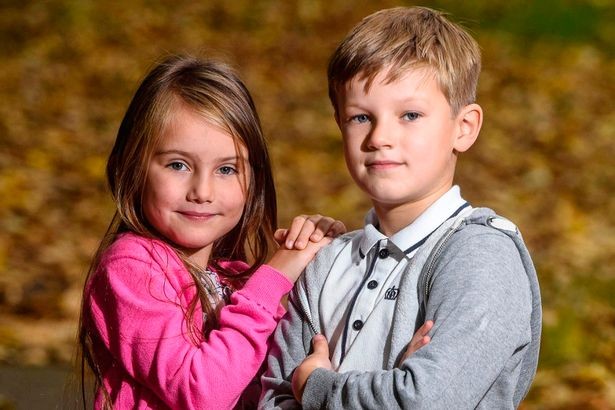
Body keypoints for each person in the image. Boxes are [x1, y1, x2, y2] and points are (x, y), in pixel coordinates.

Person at [260, 6, 542, 409]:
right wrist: (391, 386)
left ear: (464, 128)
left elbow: (425, 401)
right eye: (361, 117)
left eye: (410, 115)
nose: (380, 137)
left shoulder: (481, 256)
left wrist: (316, 387)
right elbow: (272, 399)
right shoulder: (324, 264)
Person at [77, 54, 348, 409]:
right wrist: (274, 278)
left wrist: (324, 259)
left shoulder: (233, 281)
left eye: (226, 169)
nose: (202, 192)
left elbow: (281, 374)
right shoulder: (131, 267)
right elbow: (201, 392)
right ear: (132, 168)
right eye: (178, 165)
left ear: (254, 179)